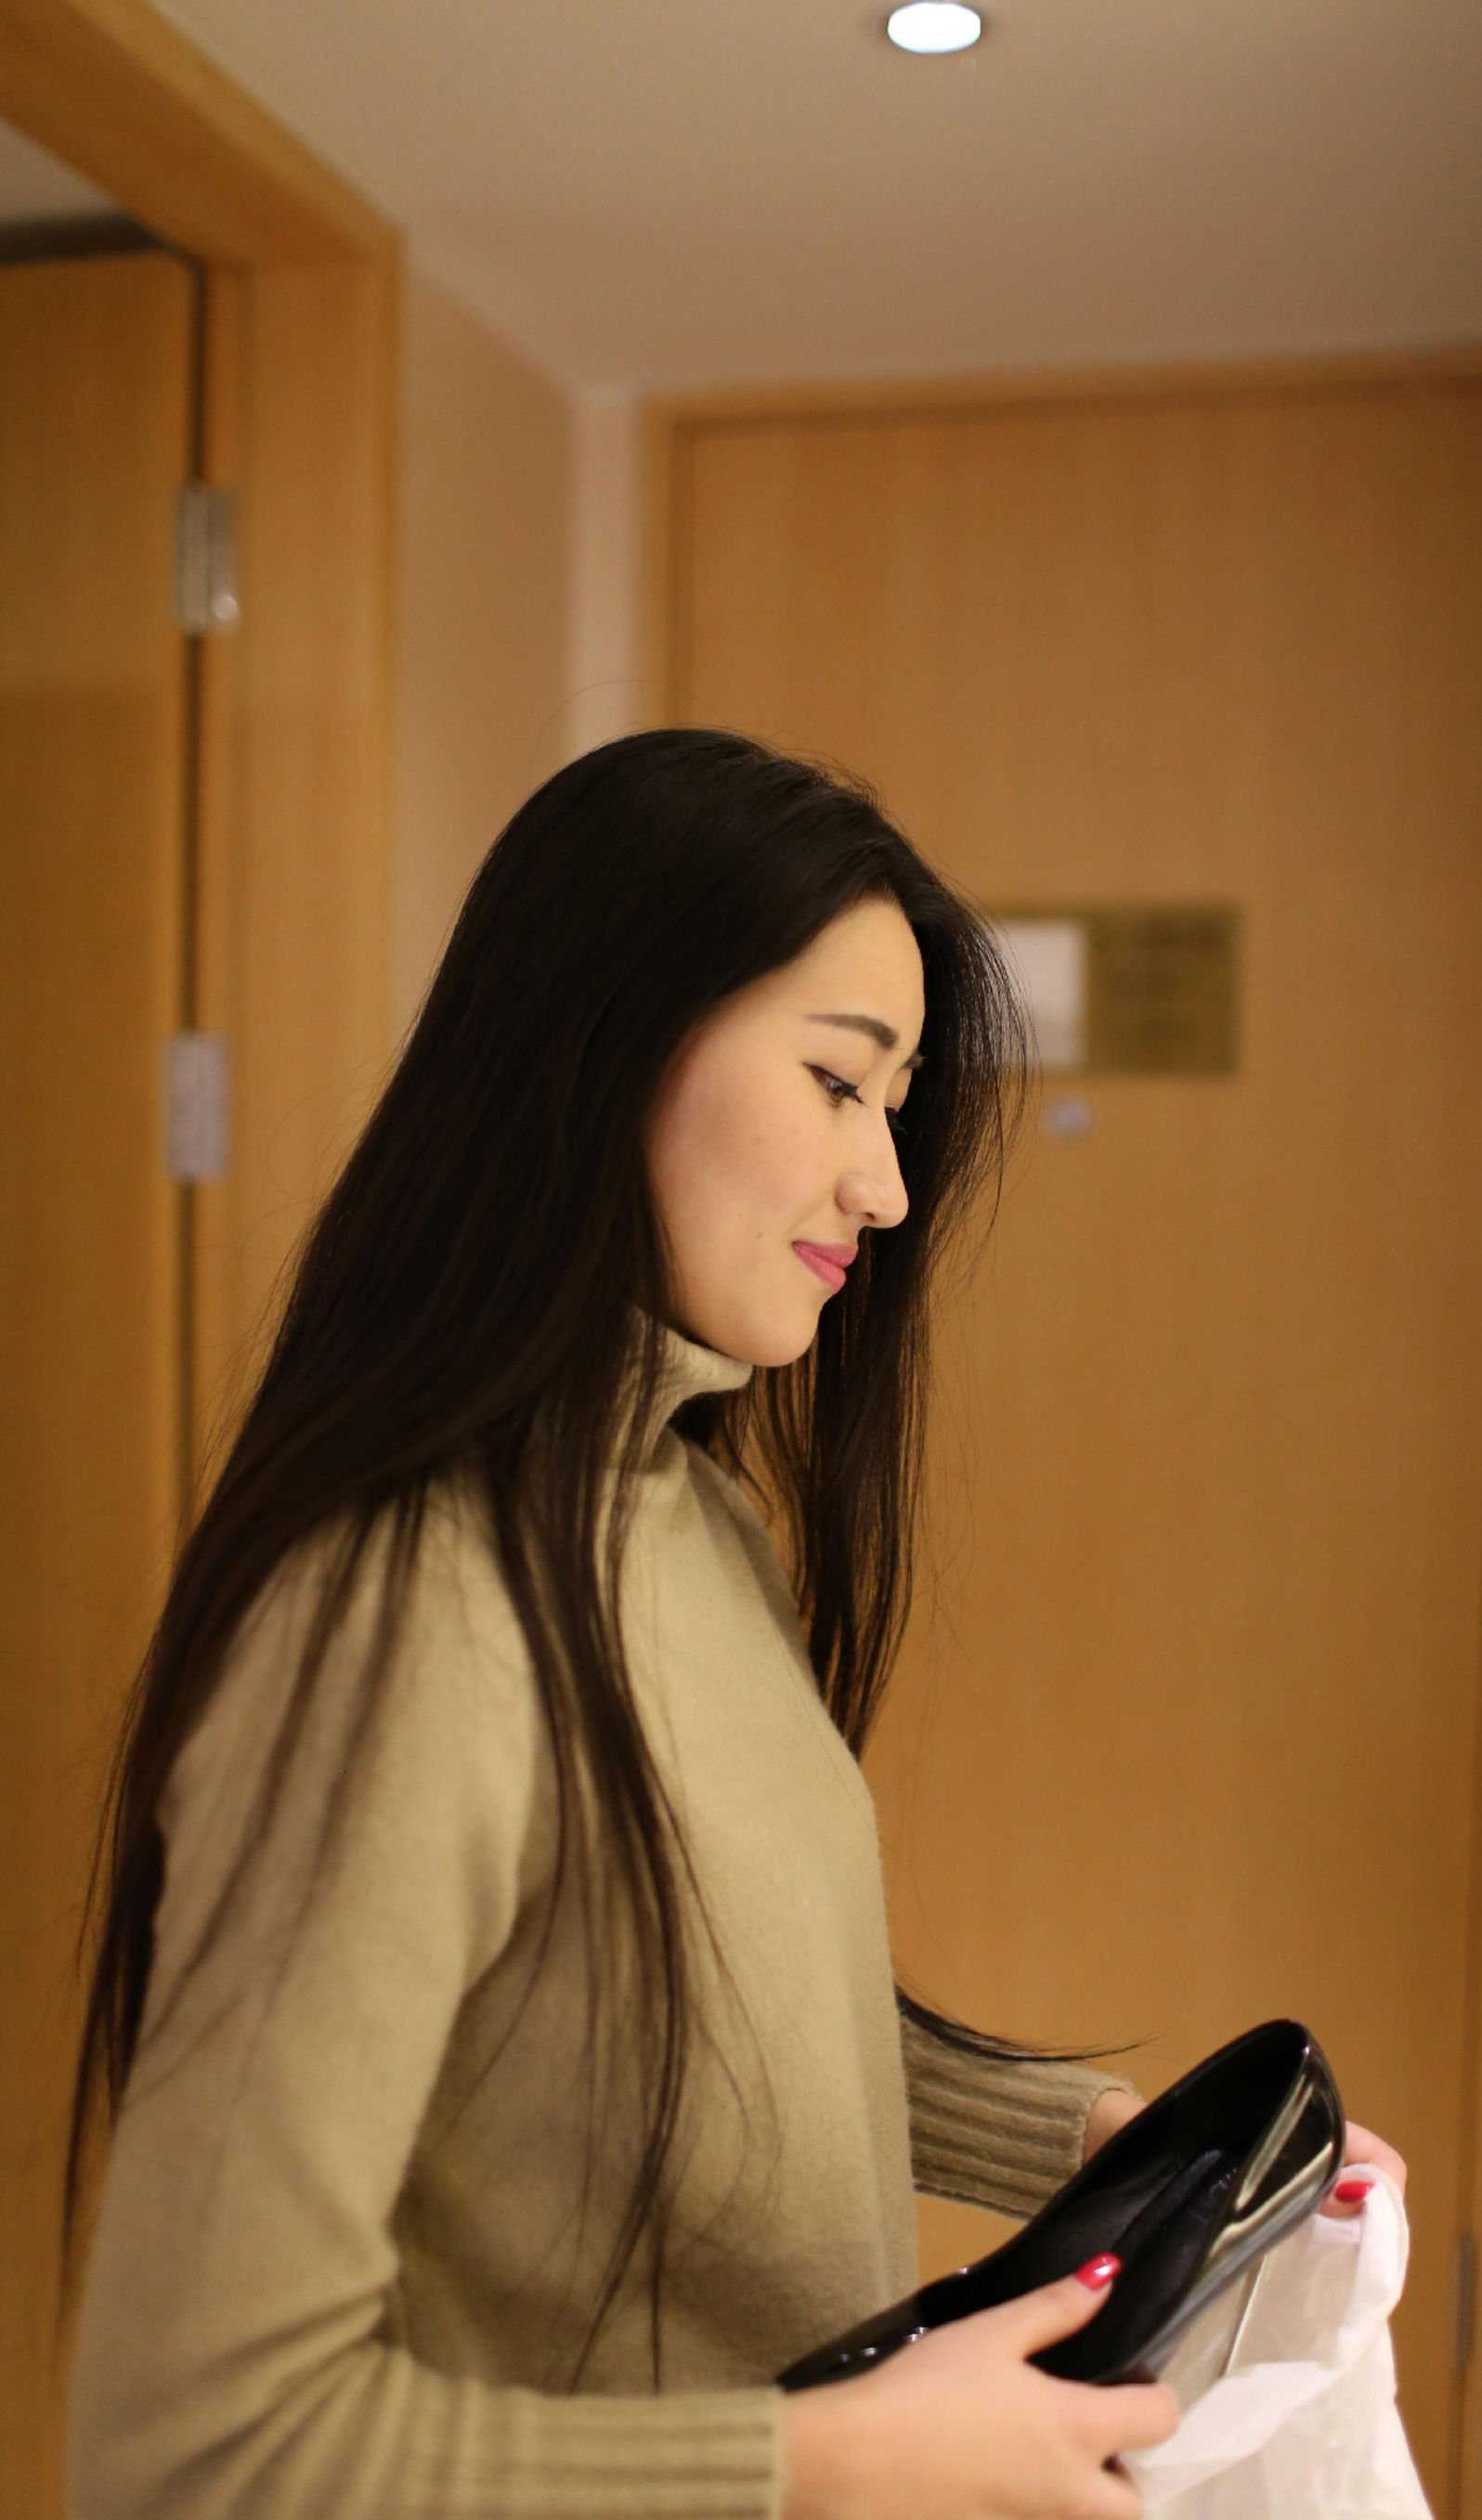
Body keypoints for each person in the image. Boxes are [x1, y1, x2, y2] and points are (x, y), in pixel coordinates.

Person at [59, 728, 1398, 2519]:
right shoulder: (399, 1620)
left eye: (897, 1103)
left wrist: (1108, 2148)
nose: (887, 1186)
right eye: (840, 1082)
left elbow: (681, 2007)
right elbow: (194, 2447)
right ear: (608, 1045)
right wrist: (835, 2457)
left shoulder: (696, 1523)